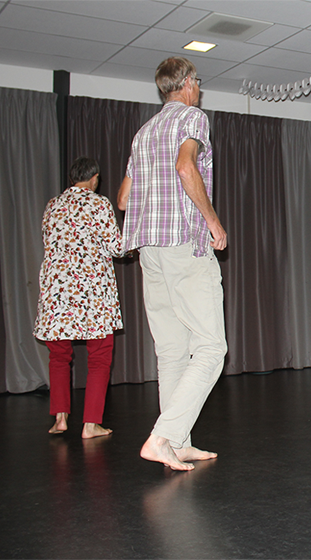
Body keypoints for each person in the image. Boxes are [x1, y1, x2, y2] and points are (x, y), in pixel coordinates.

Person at [118, 57, 227, 471]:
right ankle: (162, 436)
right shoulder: (193, 118)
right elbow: (186, 167)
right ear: (185, 86)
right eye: (197, 81)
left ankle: (176, 442)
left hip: (149, 249)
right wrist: (213, 221)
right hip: (183, 242)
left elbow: (125, 200)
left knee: (172, 352)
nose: (199, 87)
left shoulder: (142, 134)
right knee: (212, 348)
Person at [34, 157, 124, 439]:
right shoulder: (99, 204)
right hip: (92, 293)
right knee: (99, 356)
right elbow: (116, 247)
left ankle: (60, 419)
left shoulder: (52, 205)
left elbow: (49, 242)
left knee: (58, 356)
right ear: (94, 178)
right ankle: (90, 424)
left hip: (57, 293)